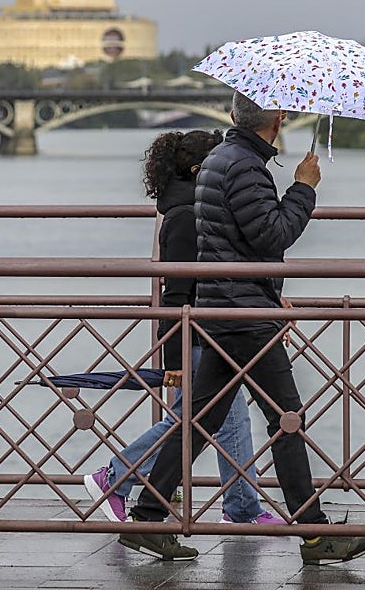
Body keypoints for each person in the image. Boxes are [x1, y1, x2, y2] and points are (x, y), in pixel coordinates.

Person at [118, 92, 365, 565]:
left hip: (221, 307)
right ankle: (315, 534)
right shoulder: (244, 166)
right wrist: (303, 188)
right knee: (287, 420)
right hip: (246, 315)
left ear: (234, 115)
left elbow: (234, 238)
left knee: (199, 421)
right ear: (277, 120)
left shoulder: (221, 157)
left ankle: (148, 517)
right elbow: (271, 235)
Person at [83, 129, 283, 525]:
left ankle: (240, 507)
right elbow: (177, 291)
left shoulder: (190, 210)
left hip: (211, 328)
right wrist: (173, 355)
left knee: (216, 418)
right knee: (197, 421)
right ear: (198, 170)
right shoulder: (186, 217)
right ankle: (117, 475)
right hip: (197, 333)